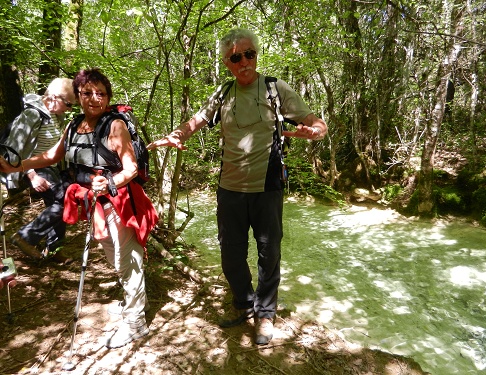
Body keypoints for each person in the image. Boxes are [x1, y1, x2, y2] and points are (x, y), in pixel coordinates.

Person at [147, 28, 328, 345]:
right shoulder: (224, 93)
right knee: (230, 254)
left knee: (269, 253)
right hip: (229, 188)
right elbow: (197, 120)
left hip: (267, 186)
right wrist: (177, 135)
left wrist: (314, 131)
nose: (244, 61)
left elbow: (317, 123)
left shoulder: (275, 89)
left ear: (256, 55)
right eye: (235, 57)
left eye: (249, 54)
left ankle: (266, 314)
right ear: (226, 62)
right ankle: (244, 303)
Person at [0, 68, 158, 349]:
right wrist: (19, 166)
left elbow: (131, 168)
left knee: (126, 257)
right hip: (94, 201)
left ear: (108, 97)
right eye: (87, 93)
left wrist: (108, 182)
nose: (94, 98)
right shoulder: (73, 125)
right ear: (79, 95)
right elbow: (53, 155)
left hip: (119, 201)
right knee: (112, 255)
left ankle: (136, 322)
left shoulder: (115, 125)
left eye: (101, 93)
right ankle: (130, 302)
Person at [0, 78, 75, 262]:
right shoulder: (32, 114)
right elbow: (12, 150)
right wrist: (31, 175)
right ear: (54, 98)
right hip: (34, 168)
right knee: (64, 202)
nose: (69, 109)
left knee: (62, 203)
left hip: (52, 167)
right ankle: (24, 237)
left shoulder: (57, 115)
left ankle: (54, 251)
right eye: (68, 104)